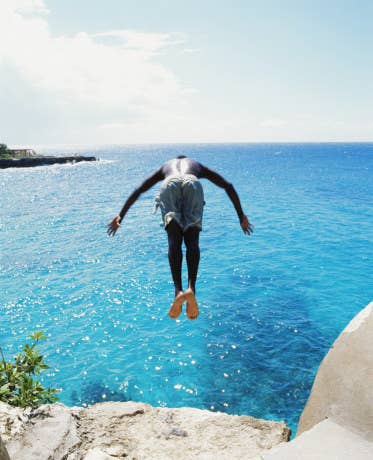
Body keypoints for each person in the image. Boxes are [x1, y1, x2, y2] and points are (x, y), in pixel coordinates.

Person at [107, 156, 253, 320]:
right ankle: (191, 289)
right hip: (193, 183)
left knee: (174, 240)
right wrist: (241, 216)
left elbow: (139, 189)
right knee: (192, 241)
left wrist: (121, 215)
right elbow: (228, 186)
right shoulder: (197, 165)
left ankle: (178, 291)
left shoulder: (166, 167)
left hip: (169, 183)